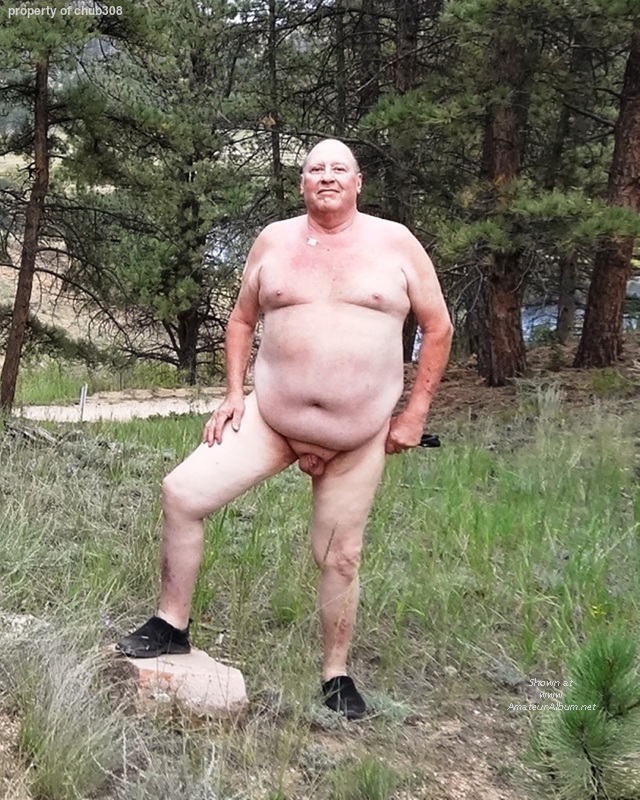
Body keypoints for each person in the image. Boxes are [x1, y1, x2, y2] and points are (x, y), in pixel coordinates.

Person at [116, 138, 453, 720]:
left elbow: (438, 327)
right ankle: (171, 624)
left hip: (356, 435)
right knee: (182, 493)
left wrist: (415, 413)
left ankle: (336, 676)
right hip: (271, 419)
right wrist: (232, 393)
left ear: (358, 182)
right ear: (303, 184)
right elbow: (241, 319)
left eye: (339, 168)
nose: (327, 176)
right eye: (315, 169)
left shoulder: (395, 243)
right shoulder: (273, 240)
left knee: (338, 555)